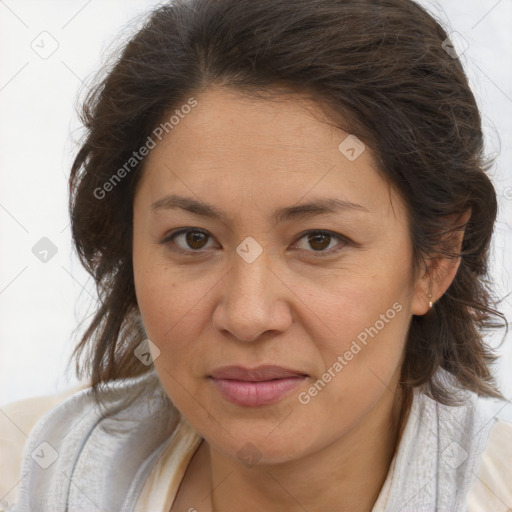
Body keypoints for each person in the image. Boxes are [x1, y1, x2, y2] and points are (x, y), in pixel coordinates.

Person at [1, 0, 511, 511]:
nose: (247, 316)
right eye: (193, 239)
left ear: (437, 258)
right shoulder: (25, 472)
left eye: (319, 240)